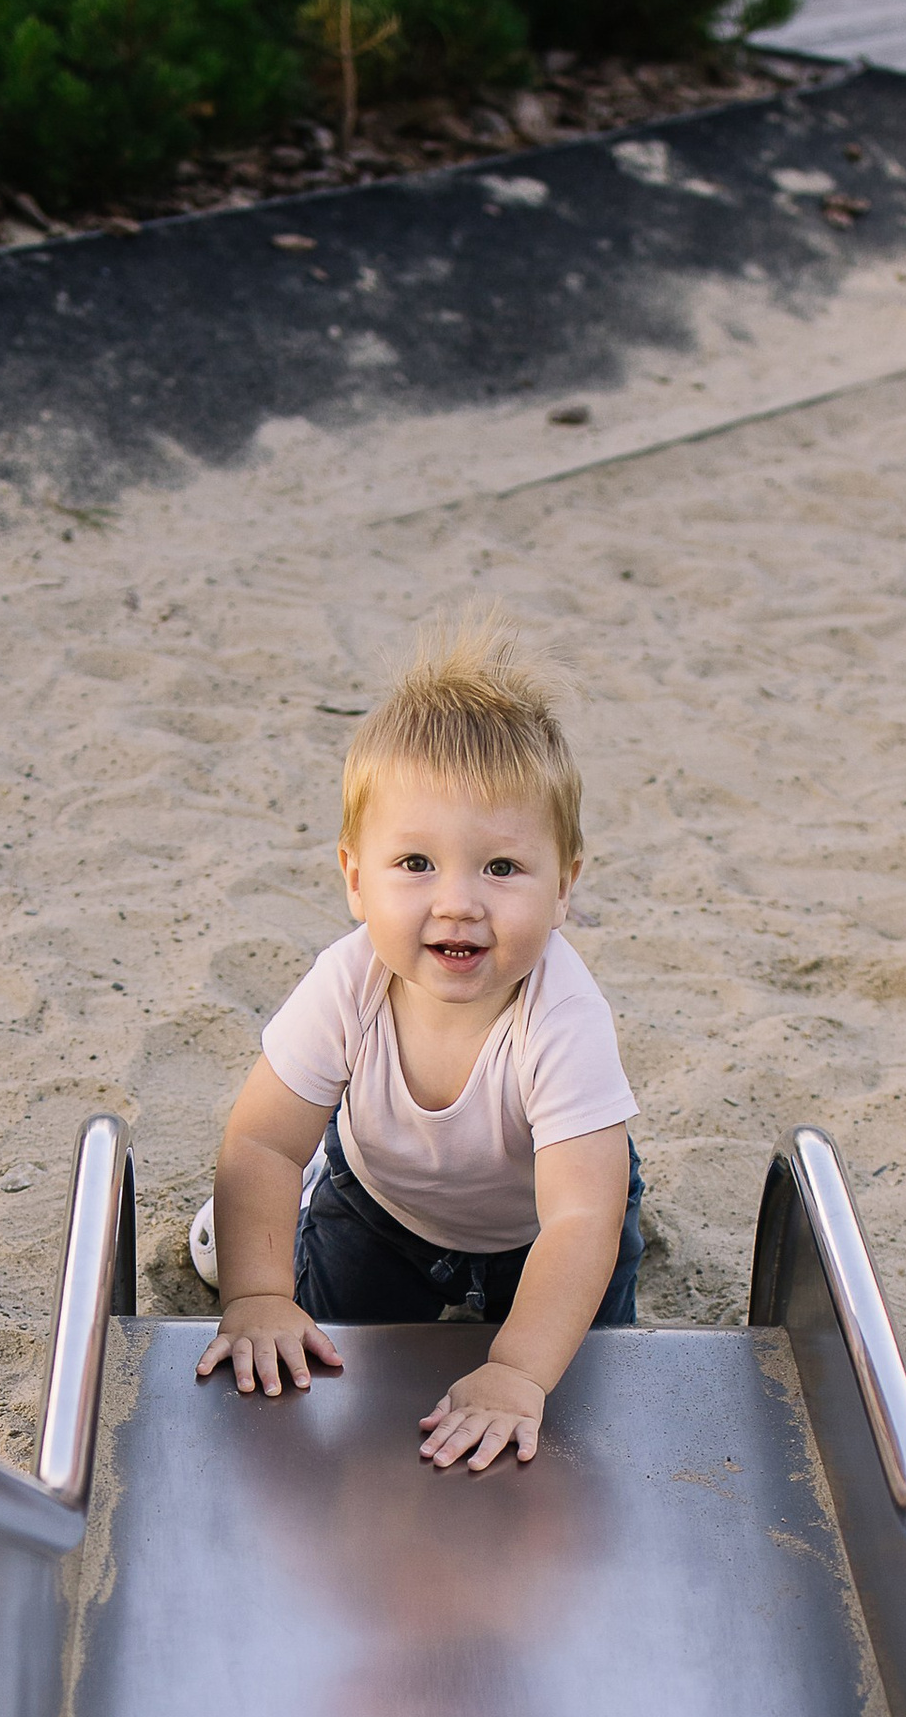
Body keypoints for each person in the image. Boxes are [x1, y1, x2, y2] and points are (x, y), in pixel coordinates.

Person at [193, 616, 641, 1473]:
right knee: (319, 1338)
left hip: (541, 1226)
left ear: (565, 887)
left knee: (592, 1375)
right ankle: (246, 1247)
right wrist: (255, 1296)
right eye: (416, 864)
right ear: (356, 877)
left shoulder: (564, 1018)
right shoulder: (347, 983)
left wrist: (513, 1370)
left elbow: (582, 1219)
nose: (460, 903)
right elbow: (261, 1140)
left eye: (502, 869)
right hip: (383, 1202)